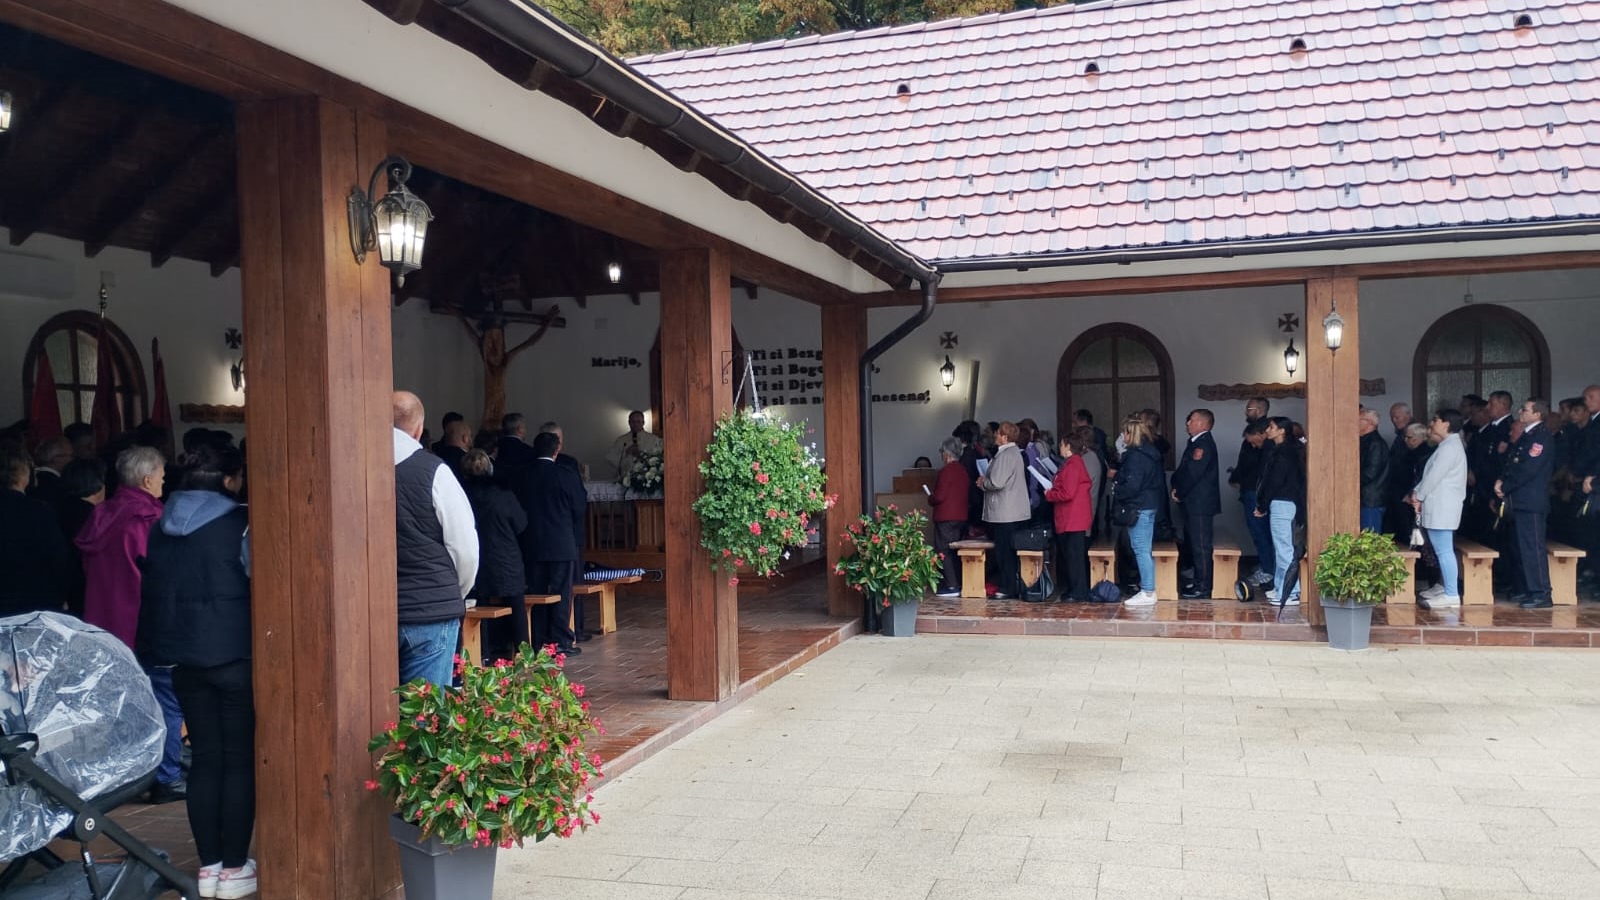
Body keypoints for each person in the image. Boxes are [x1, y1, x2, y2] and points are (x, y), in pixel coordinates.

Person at [136, 447, 257, 899]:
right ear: (228, 480)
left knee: (205, 759)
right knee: (238, 760)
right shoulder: (240, 523)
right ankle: (234, 868)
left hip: (182, 659)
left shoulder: (159, 527)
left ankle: (209, 868)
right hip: (234, 656)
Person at [78, 445, 186, 801]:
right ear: (147, 479)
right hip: (145, 623)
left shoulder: (101, 514)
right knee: (163, 701)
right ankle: (164, 776)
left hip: (104, 622)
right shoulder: (149, 519)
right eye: (162, 476)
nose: (164, 483)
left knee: (119, 704)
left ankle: (126, 777)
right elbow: (162, 577)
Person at [392, 391, 479, 686]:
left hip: (373, 609)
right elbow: (464, 548)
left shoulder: (353, 468)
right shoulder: (434, 471)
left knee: (375, 709)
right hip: (430, 608)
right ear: (419, 430)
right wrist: (455, 591)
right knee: (426, 709)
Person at [511, 430, 586, 654]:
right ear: (557, 450)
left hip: (532, 542)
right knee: (562, 593)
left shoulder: (523, 475)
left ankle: (538, 640)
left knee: (536, 592)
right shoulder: (565, 474)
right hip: (561, 542)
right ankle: (560, 641)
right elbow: (579, 508)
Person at [460, 448, 529, 659]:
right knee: (516, 604)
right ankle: (522, 651)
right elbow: (521, 524)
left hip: (476, 559)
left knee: (479, 604)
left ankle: (483, 652)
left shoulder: (462, 495)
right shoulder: (503, 495)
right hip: (505, 557)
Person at [0, 442, 72, 617]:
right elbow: (57, 557)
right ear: (23, 472)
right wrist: (64, 593)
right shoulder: (38, 510)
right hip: (35, 599)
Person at [1496, 398, 1556, 609]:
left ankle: (1542, 593)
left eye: (1525, 409)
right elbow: (1513, 462)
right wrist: (1501, 480)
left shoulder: (1541, 437)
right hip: (1520, 501)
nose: (1521, 412)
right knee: (1521, 548)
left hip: (1531, 502)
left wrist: (1506, 486)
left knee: (1533, 548)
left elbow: (1528, 469)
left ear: (1537, 414)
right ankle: (1527, 589)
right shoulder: (1527, 435)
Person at [1412, 410, 1468, 608]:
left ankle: (1451, 594)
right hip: (1440, 505)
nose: (1432, 423)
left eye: (1436, 420)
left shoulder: (1450, 447)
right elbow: (1430, 476)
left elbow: (1434, 476)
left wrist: (1419, 495)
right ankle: (1445, 587)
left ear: (1446, 424)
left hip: (1443, 506)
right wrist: (1418, 492)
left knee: (1444, 551)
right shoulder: (1447, 445)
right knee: (1442, 550)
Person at [1113, 415, 1164, 607]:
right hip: (1149, 504)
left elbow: (1132, 486)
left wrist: (1117, 489)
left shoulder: (1135, 456)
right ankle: (1148, 588)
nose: (1122, 436)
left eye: (1124, 433)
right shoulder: (1150, 453)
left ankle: (1148, 591)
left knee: (1141, 549)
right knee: (1145, 549)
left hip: (1138, 506)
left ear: (1130, 434)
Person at [1254, 417, 1304, 605]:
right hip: (1282, 502)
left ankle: (1290, 592)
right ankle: (1280, 587)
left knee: (1284, 548)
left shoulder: (1284, 453)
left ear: (1282, 431)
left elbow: (1274, 481)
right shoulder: (1283, 451)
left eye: (1272, 427)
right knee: (1280, 547)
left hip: (1283, 502)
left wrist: (1262, 505)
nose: (1268, 430)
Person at [977, 421, 1029, 600]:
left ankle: (1008, 587)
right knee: (1007, 551)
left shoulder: (1006, 455)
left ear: (1005, 437)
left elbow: (997, 482)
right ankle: (1009, 585)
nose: (995, 435)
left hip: (1006, 512)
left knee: (1005, 552)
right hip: (1011, 511)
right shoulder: (1013, 453)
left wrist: (983, 482)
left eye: (998, 433)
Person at [1171, 409, 1220, 599]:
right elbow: (1184, 470)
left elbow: (1192, 473)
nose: (1188, 423)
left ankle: (1203, 586)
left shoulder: (1203, 444)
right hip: (1194, 503)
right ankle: (1199, 580)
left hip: (1200, 503)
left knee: (1201, 546)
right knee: (1194, 543)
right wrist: (1176, 486)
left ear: (1202, 423)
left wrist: (1179, 492)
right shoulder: (1195, 442)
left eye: (1191, 420)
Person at [55, 458, 107, 617]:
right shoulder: (97, 518)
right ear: (98, 485)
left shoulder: (56, 510)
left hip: (62, 591)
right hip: (90, 592)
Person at [1045, 431, 1093, 602]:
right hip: (1073, 517)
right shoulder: (1074, 463)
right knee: (1072, 555)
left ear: (1068, 446)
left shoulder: (1073, 465)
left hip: (1072, 517)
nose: (1060, 447)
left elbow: (1067, 493)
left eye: (1062, 444)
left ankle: (1078, 591)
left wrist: (1049, 494)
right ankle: (1075, 589)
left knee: (1074, 557)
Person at [1229, 398, 1273, 584]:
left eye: (1249, 408)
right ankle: (1266, 564)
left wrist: (1240, 477)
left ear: (1260, 410)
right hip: (1251, 489)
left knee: (1261, 531)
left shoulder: (1266, 436)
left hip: (1256, 491)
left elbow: (1255, 466)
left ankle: (1269, 569)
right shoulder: (1255, 433)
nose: (1246, 412)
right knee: (1259, 531)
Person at [928, 437, 969, 597]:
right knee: (955, 551)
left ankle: (952, 586)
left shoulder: (946, 471)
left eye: (942, 452)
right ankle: (957, 582)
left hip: (946, 516)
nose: (941, 455)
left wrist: (930, 497)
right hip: (961, 516)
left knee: (943, 550)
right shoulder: (962, 470)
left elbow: (939, 496)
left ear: (947, 454)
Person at [1358, 408, 1390, 533]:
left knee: (1370, 537)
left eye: (1359, 420)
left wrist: (1350, 484)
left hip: (1371, 499)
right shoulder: (1367, 441)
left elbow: (1371, 472)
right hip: (1367, 497)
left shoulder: (1375, 443)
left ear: (1370, 423)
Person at [610, 409, 663, 482]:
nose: (635, 424)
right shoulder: (621, 440)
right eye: (633, 421)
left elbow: (659, 458)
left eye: (638, 421)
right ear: (629, 422)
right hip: (626, 479)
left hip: (647, 480)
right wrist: (626, 452)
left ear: (643, 422)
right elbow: (612, 460)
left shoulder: (653, 439)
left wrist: (642, 454)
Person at [28, 435, 72, 506]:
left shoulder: (31, 477)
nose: (72, 459)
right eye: (71, 455)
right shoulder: (58, 485)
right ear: (56, 458)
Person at [496, 412, 539, 480]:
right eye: (524, 427)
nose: (525, 430)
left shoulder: (494, 447)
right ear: (519, 429)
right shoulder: (529, 451)